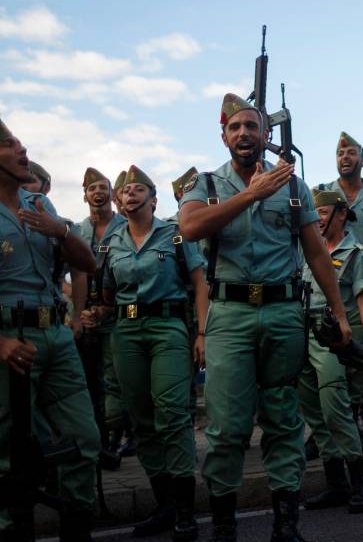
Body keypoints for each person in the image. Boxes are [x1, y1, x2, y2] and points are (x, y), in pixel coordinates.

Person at [179, 93, 355, 542]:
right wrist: (252, 195)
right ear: (223, 136)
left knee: (283, 420)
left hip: (282, 313)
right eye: (235, 127)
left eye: (251, 127)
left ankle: (286, 522)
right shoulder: (206, 184)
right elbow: (191, 228)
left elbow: (316, 252)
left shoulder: (293, 187)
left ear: (265, 134)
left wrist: (339, 313)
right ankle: (223, 526)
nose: (243, 134)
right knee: (226, 427)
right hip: (230, 314)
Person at [87, 165, 206, 540]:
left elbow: (200, 282)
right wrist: (96, 313)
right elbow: (106, 292)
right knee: (141, 419)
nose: (130, 194)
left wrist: (202, 331)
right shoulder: (111, 242)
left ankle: (186, 512)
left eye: (139, 189)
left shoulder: (174, 235)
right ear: (119, 201)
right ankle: (164, 506)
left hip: (168, 326)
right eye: (126, 191)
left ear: (154, 200)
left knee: (172, 413)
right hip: (126, 331)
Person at [0, 117, 101, 539]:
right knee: (7, 455)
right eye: (9, 144)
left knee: (84, 439)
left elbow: (87, 264)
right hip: (10, 343)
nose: (23, 150)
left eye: (22, 142)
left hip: (55, 337)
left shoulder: (39, 204)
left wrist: (60, 231)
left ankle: (76, 527)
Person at [298, 189, 363, 514]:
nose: (317, 216)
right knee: (313, 411)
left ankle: (359, 483)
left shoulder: (355, 252)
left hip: (332, 334)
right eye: (313, 211)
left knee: (335, 408)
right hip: (302, 331)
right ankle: (336, 484)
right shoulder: (304, 249)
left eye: (323, 211)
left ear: (341, 214)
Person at [316, 132, 363, 444]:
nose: (344, 158)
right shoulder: (321, 194)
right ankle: (337, 418)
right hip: (329, 280)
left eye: (350, 152)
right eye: (339, 153)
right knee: (331, 351)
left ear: (362, 159)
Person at [70, 167, 131, 470]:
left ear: (111, 193)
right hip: (85, 315)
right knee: (88, 383)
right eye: (92, 188)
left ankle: (113, 442)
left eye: (102, 186)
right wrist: (80, 312)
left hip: (119, 314)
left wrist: (108, 307)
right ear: (84, 195)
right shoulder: (77, 231)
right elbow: (73, 273)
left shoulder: (125, 225)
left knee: (117, 380)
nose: (97, 192)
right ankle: (98, 443)